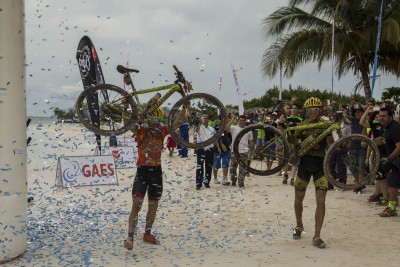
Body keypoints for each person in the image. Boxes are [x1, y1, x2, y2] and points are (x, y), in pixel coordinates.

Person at [124, 108, 169, 249]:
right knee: (137, 204)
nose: (155, 123)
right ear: (148, 120)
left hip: (156, 171)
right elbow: (127, 122)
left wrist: (185, 107)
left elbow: (177, 124)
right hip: (142, 170)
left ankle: (147, 234)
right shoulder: (140, 131)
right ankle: (130, 237)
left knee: (153, 205)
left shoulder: (163, 131)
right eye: (152, 120)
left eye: (157, 120)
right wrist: (125, 108)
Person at [292, 97, 333, 249]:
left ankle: (317, 235)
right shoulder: (301, 125)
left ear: (320, 110)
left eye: (316, 109)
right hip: (304, 165)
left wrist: (329, 132)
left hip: (320, 165)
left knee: (321, 201)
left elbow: (331, 142)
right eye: (310, 110)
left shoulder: (324, 124)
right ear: (307, 112)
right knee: (298, 199)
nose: (313, 112)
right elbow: (294, 146)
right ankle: (299, 225)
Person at [373, 108, 400, 217]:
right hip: (395, 158)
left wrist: (389, 159)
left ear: (390, 117)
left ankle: (392, 208)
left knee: (392, 182)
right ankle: (393, 203)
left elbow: (399, 147)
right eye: (379, 116)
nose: (381, 118)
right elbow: (382, 140)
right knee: (391, 182)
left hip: (397, 158)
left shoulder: (394, 128)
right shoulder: (386, 128)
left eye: (384, 116)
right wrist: (369, 142)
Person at [229, 115, 254, 188]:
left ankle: (241, 182)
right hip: (234, 151)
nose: (242, 122)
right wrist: (232, 119)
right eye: (240, 120)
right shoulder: (233, 128)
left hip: (244, 152)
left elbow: (251, 141)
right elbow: (226, 128)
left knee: (242, 169)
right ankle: (233, 181)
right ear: (238, 121)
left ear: (245, 121)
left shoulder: (248, 130)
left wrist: (251, 149)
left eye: (243, 120)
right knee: (233, 169)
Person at [195, 114, 216, 190]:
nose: (205, 119)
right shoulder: (199, 127)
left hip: (210, 150)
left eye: (206, 118)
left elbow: (215, 138)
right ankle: (198, 184)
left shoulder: (212, 129)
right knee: (199, 167)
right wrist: (199, 122)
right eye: (203, 118)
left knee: (209, 167)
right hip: (201, 149)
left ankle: (207, 182)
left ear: (208, 119)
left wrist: (219, 147)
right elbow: (196, 129)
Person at [212, 115, 234, 185]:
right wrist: (220, 145)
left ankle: (224, 179)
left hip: (226, 150)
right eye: (219, 119)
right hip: (216, 150)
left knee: (225, 165)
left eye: (222, 119)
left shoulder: (225, 127)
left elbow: (228, 127)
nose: (220, 121)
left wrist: (233, 118)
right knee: (215, 165)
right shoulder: (214, 128)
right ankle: (215, 178)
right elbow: (214, 139)